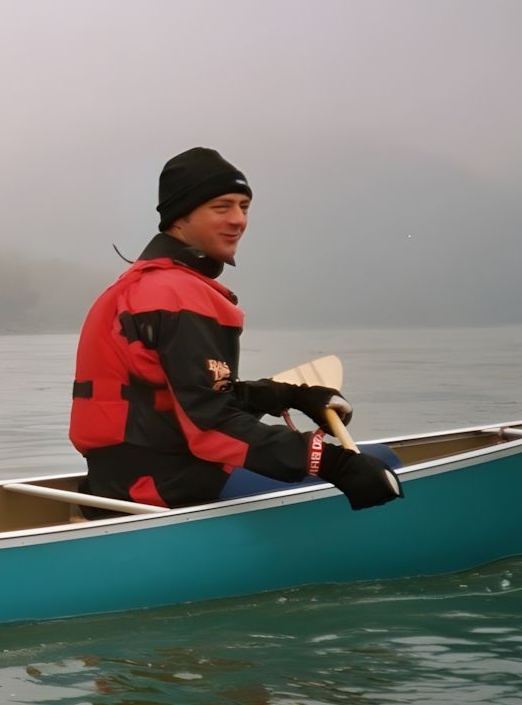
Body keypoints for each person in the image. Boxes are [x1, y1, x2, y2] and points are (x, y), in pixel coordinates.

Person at [68, 147, 401, 512]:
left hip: (115, 484)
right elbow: (212, 428)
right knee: (387, 460)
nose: (238, 220)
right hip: (166, 489)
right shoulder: (179, 295)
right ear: (181, 216)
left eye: (244, 206)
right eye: (221, 207)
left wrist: (288, 396)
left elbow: (185, 400)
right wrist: (334, 463)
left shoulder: (137, 286)